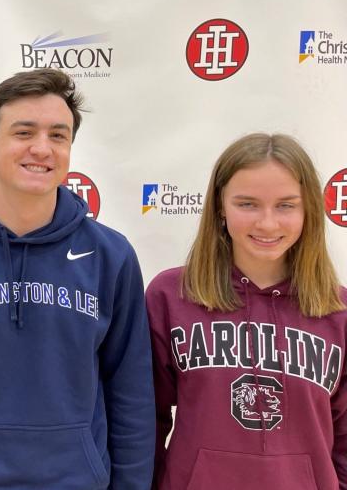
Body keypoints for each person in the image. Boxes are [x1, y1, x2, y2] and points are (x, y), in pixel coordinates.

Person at [0, 68, 155, 490]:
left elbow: (131, 395)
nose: (42, 148)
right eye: (24, 132)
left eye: (58, 135)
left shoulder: (112, 256)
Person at [148, 133, 347, 490]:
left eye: (286, 205)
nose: (267, 223)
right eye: (248, 204)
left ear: (308, 212)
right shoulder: (171, 296)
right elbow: (145, 420)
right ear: (221, 206)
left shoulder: (339, 313)